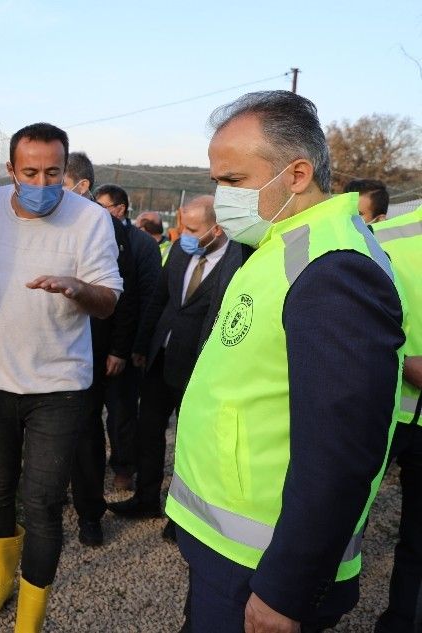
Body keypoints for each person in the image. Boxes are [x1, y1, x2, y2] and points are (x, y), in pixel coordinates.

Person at [164, 90, 405, 632]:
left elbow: (342, 450)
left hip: (260, 566)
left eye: (233, 180)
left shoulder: (333, 268)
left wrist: (285, 592)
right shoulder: (282, 244)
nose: (221, 197)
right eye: (216, 181)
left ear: (297, 175)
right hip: (229, 547)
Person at [0, 123, 123, 632]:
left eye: (53, 172)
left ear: (66, 170)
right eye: (30, 172)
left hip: (58, 389)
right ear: (11, 170)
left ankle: (30, 618)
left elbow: (108, 301)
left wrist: (77, 288)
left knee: (43, 502)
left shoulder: (90, 220)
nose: (42, 183)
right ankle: (1, 581)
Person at [112, 196, 250, 540]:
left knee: (192, 444)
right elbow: (159, 299)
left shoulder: (240, 260)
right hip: (161, 359)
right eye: (181, 227)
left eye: (191, 229)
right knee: (149, 432)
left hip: (199, 367)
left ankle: (183, 515)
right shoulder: (179, 250)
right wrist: (142, 345)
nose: (182, 235)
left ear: (217, 229)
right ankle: (146, 499)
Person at [64, 152, 138, 547]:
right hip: (47, 347)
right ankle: (54, 494)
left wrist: (119, 349)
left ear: (82, 186)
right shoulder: (48, 219)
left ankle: (90, 514)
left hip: (89, 347)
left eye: (59, 181)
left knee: (85, 430)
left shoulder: (105, 227)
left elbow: (124, 298)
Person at [372, 205, 422, 633]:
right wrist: (403, 360)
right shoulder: (384, 237)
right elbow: (354, 320)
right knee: (336, 520)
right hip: (380, 412)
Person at [94, 184, 162, 489]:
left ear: (120, 209)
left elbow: (147, 299)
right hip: (91, 344)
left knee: (121, 412)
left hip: (125, 345)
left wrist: (134, 347)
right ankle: (89, 471)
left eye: (103, 207)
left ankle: (124, 467)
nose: (96, 212)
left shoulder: (142, 245)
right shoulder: (91, 236)